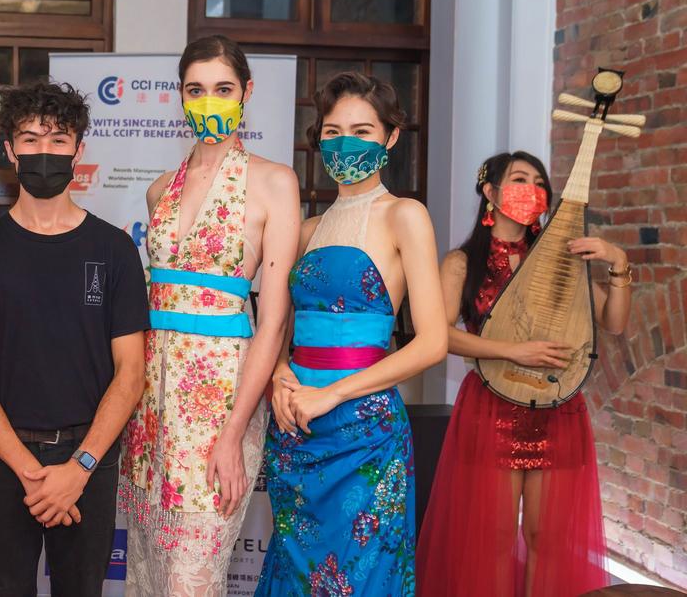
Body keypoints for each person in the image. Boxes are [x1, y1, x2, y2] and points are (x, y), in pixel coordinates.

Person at [0, 81, 149, 596]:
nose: (44, 151)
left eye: (58, 139)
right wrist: (31, 472)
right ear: (10, 150)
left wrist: (79, 467)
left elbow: (131, 373)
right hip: (4, 457)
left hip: (90, 457)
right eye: (30, 139)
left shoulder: (115, 250)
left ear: (79, 150)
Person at [119, 35, 299, 596]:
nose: (209, 101)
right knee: (148, 575)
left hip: (221, 400)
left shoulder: (274, 182)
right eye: (195, 90)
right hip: (150, 404)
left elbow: (273, 320)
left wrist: (233, 434)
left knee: (190, 580)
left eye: (223, 88)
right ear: (180, 96)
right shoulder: (159, 192)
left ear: (247, 92)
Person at [255, 72, 447, 596]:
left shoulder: (405, 216)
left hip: (364, 432)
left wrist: (332, 394)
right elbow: (279, 327)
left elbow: (433, 343)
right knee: (294, 574)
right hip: (296, 428)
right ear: (318, 139)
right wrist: (279, 376)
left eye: (362, 131)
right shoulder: (307, 229)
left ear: (391, 137)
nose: (346, 144)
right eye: (333, 131)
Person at [416, 151, 631, 597]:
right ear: (490, 192)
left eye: (539, 183)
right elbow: (439, 336)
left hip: (558, 408)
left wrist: (618, 262)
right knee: (492, 539)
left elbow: (613, 322)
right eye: (519, 179)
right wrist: (512, 351)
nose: (531, 190)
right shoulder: (462, 263)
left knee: (547, 539)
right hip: (491, 409)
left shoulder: (560, 263)